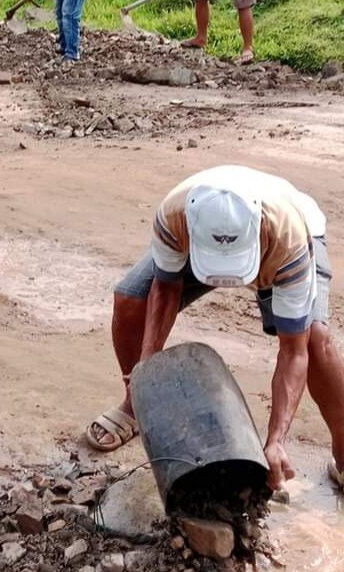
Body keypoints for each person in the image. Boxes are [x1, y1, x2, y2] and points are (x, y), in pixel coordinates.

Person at [84, 165, 344, 492]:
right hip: (204, 242)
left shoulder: (288, 237)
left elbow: (293, 351)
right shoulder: (175, 215)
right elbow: (164, 290)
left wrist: (276, 440)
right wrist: (145, 376)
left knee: (315, 341)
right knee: (130, 299)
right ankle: (134, 406)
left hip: (284, 242)